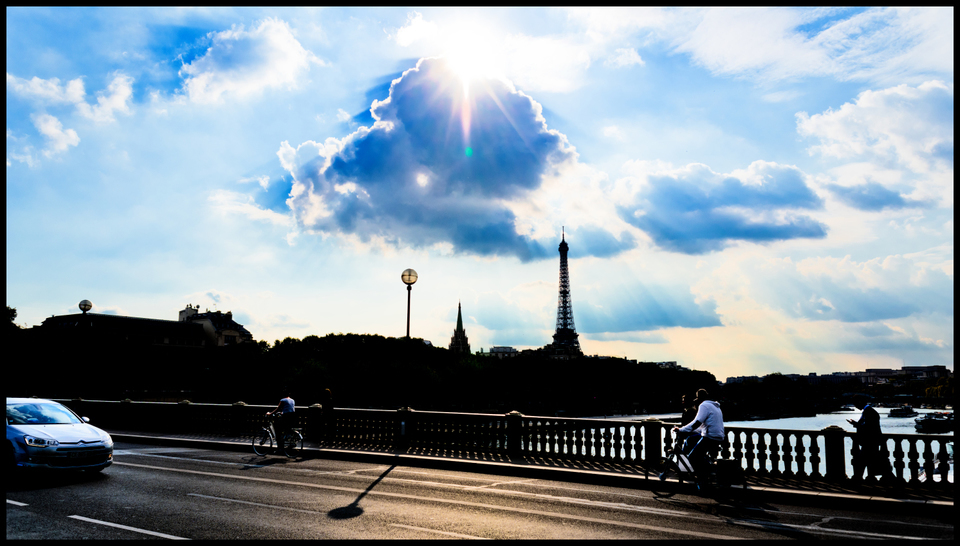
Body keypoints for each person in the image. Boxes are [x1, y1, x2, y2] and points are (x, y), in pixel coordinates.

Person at [673, 389, 724, 486]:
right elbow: (701, 427)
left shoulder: (704, 405)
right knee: (692, 443)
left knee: (692, 457)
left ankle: (702, 480)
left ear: (700, 399)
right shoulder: (715, 406)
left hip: (710, 436)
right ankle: (705, 470)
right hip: (718, 435)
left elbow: (696, 422)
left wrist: (681, 430)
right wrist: (687, 430)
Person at [847, 398, 893, 482]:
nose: (856, 407)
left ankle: (857, 479)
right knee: (870, 461)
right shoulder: (870, 411)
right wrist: (857, 424)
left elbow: (868, 427)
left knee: (862, 461)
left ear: (860, 402)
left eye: (856, 404)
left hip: (869, 442)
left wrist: (856, 425)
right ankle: (863, 479)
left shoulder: (868, 412)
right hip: (871, 442)